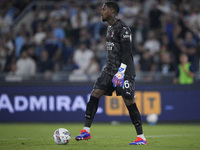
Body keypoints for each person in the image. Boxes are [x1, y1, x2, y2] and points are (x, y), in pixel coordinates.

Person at [75, 2, 147, 145]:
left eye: (104, 9)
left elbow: (127, 52)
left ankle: (141, 137)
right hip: (109, 69)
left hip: (124, 70)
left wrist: (121, 72)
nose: (101, 11)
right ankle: (86, 131)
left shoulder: (124, 28)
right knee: (95, 93)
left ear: (112, 11)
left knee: (128, 100)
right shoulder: (109, 28)